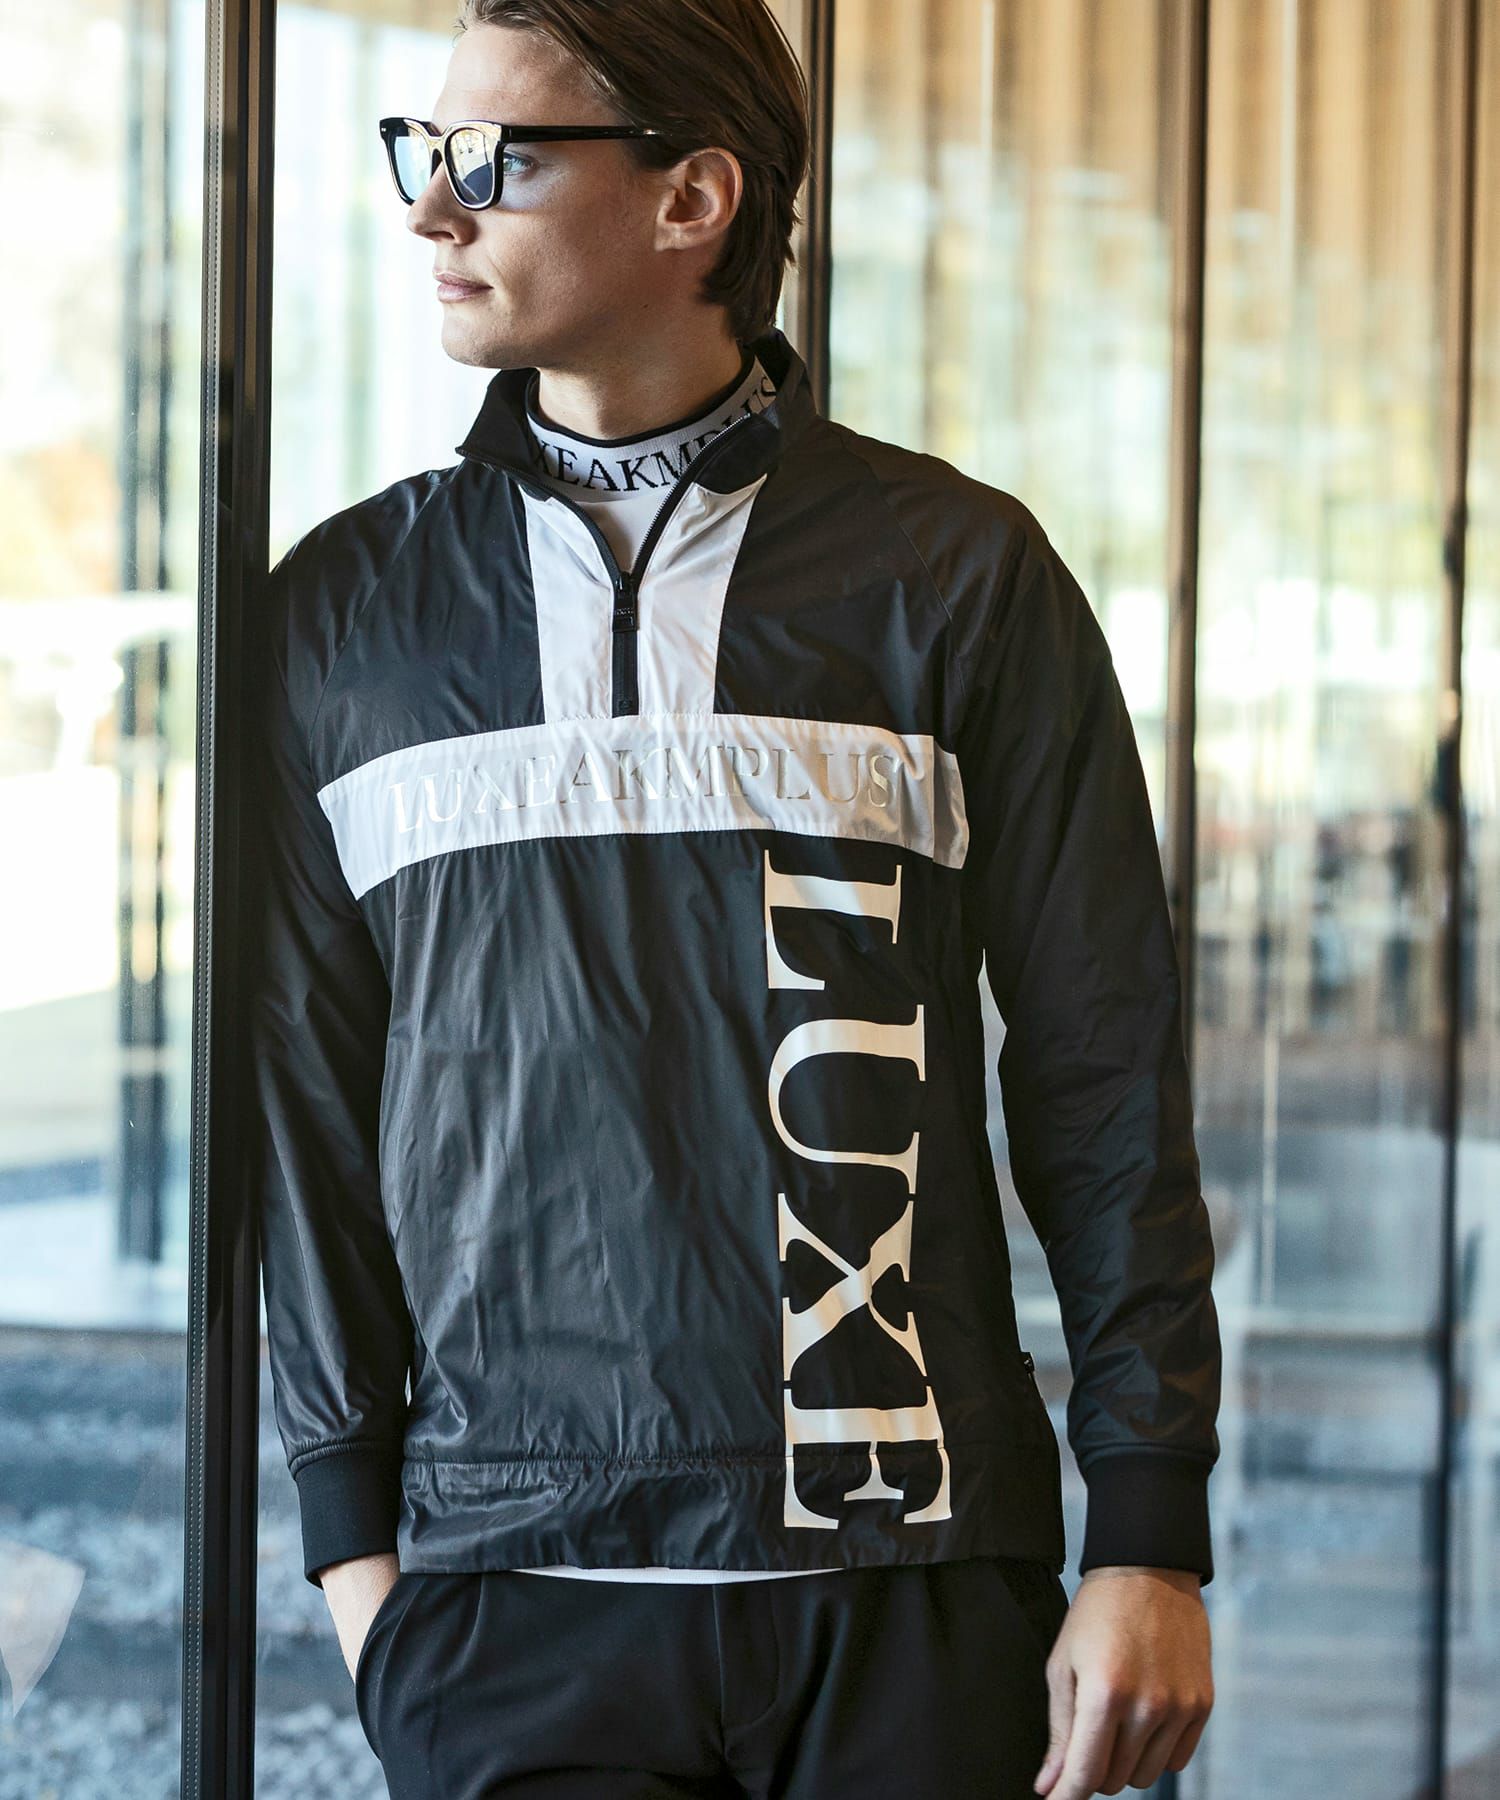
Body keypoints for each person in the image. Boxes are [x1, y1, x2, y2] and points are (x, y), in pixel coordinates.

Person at [250, 2, 1222, 1795]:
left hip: (911, 1590)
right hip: (504, 1603)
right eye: (425, 152)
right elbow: (304, 1117)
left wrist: (1147, 1535)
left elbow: (1102, 1074)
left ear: (692, 198)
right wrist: (358, 1567)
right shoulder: (342, 614)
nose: (432, 208)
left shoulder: (961, 575)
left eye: (496, 159)